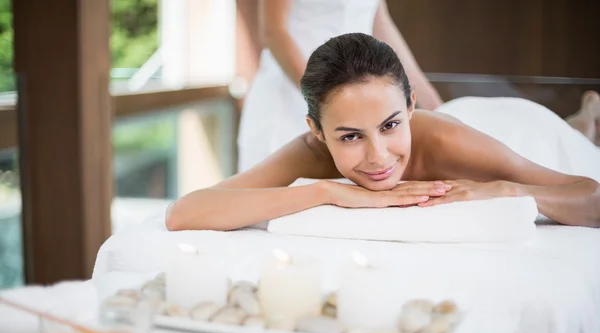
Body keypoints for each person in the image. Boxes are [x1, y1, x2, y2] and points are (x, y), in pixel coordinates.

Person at [167, 33, 600, 232]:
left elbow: (590, 198)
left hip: (507, 126)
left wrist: (506, 190)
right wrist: (326, 192)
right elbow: (184, 213)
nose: (378, 157)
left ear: (410, 108)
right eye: (350, 136)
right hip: (446, 121)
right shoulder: (310, 153)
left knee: (569, 137)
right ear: (316, 131)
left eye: (390, 125)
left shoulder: (452, 143)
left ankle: (583, 118)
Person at [237, 0, 443, 172]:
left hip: (359, 100)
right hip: (292, 100)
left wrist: (433, 102)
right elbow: (274, 33)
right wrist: (326, 101)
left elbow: (379, 22)